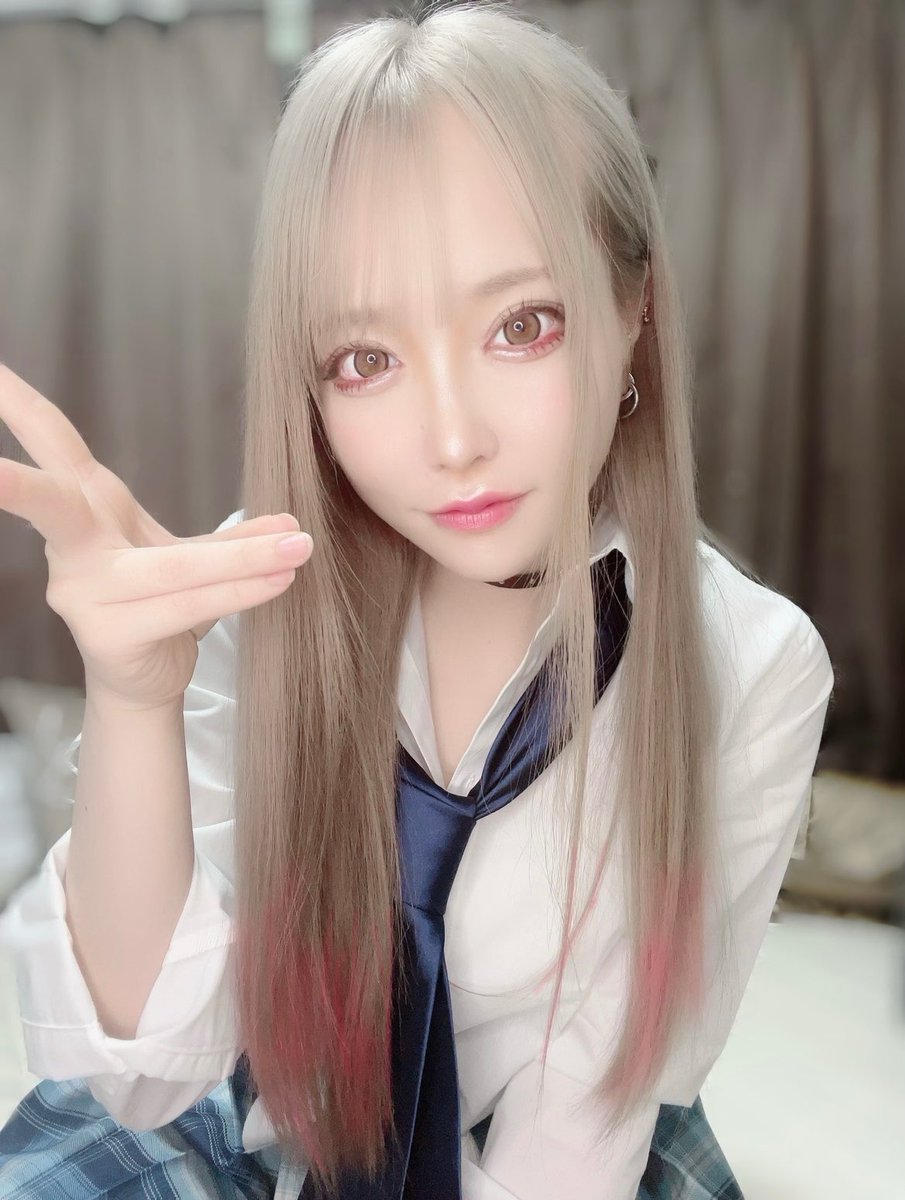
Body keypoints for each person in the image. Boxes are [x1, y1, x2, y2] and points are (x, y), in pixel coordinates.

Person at [0, 2, 834, 1197]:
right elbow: (142, 1075)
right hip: (255, 1114)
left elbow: (579, 1123)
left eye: (521, 325)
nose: (451, 441)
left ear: (632, 305)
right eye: (365, 360)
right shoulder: (254, 591)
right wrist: (132, 697)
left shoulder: (749, 664)